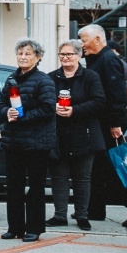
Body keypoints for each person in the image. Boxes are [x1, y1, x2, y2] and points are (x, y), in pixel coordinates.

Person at [78, 24, 127, 227]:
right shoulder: (98, 59)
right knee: (99, 168)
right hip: (102, 122)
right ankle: (95, 209)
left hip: (110, 123)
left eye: (84, 40)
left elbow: (117, 94)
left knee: (110, 167)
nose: (81, 44)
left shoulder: (109, 61)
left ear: (98, 39)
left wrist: (116, 122)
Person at [0, 37, 56, 242]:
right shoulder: (11, 79)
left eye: (27, 54)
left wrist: (22, 117)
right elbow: (1, 104)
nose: (23, 57)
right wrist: (7, 113)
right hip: (14, 142)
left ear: (37, 57)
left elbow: (48, 109)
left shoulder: (44, 80)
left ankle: (34, 228)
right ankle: (15, 227)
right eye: (20, 53)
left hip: (37, 143)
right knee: (13, 186)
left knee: (36, 188)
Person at [47, 40, 105, 231]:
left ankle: (82, 215)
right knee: (59, 177)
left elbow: (99, 102)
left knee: (82, 178)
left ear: (79, 56)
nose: (65, 58)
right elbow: (43, 101)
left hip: (84, 134)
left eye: (69, 54)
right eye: (62, 54)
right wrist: (52, 107)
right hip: (59, 135)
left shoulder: (90, 77)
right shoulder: (51, 78)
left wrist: (75, 110)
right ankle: (59, 215)